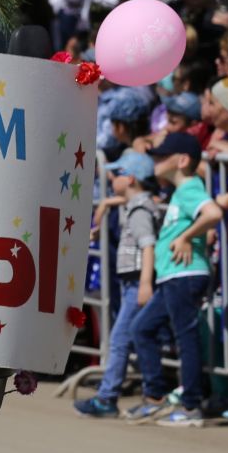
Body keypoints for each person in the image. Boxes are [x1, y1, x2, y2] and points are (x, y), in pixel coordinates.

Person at [125, 132, 222, 426]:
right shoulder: (181, 191)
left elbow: (213, 212)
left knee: (185, 338)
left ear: (182, 161)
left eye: (163, 156)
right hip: (174, 276)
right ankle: (155, 397)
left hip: (185, 274)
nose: (156, 159)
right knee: (142, 329)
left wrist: (184, 237)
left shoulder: (191, 186)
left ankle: (191, 406)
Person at [73, 150, 160, 417]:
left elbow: (148, 245)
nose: (110, 176)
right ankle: (126, 395)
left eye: (117, 173)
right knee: (124, 337)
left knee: (120, 339)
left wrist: (145, 282)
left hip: (137, 283)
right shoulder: (136, 204)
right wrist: (108, 203)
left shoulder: (139, 210)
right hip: (132, 283)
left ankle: (109, 397)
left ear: (131, 178)